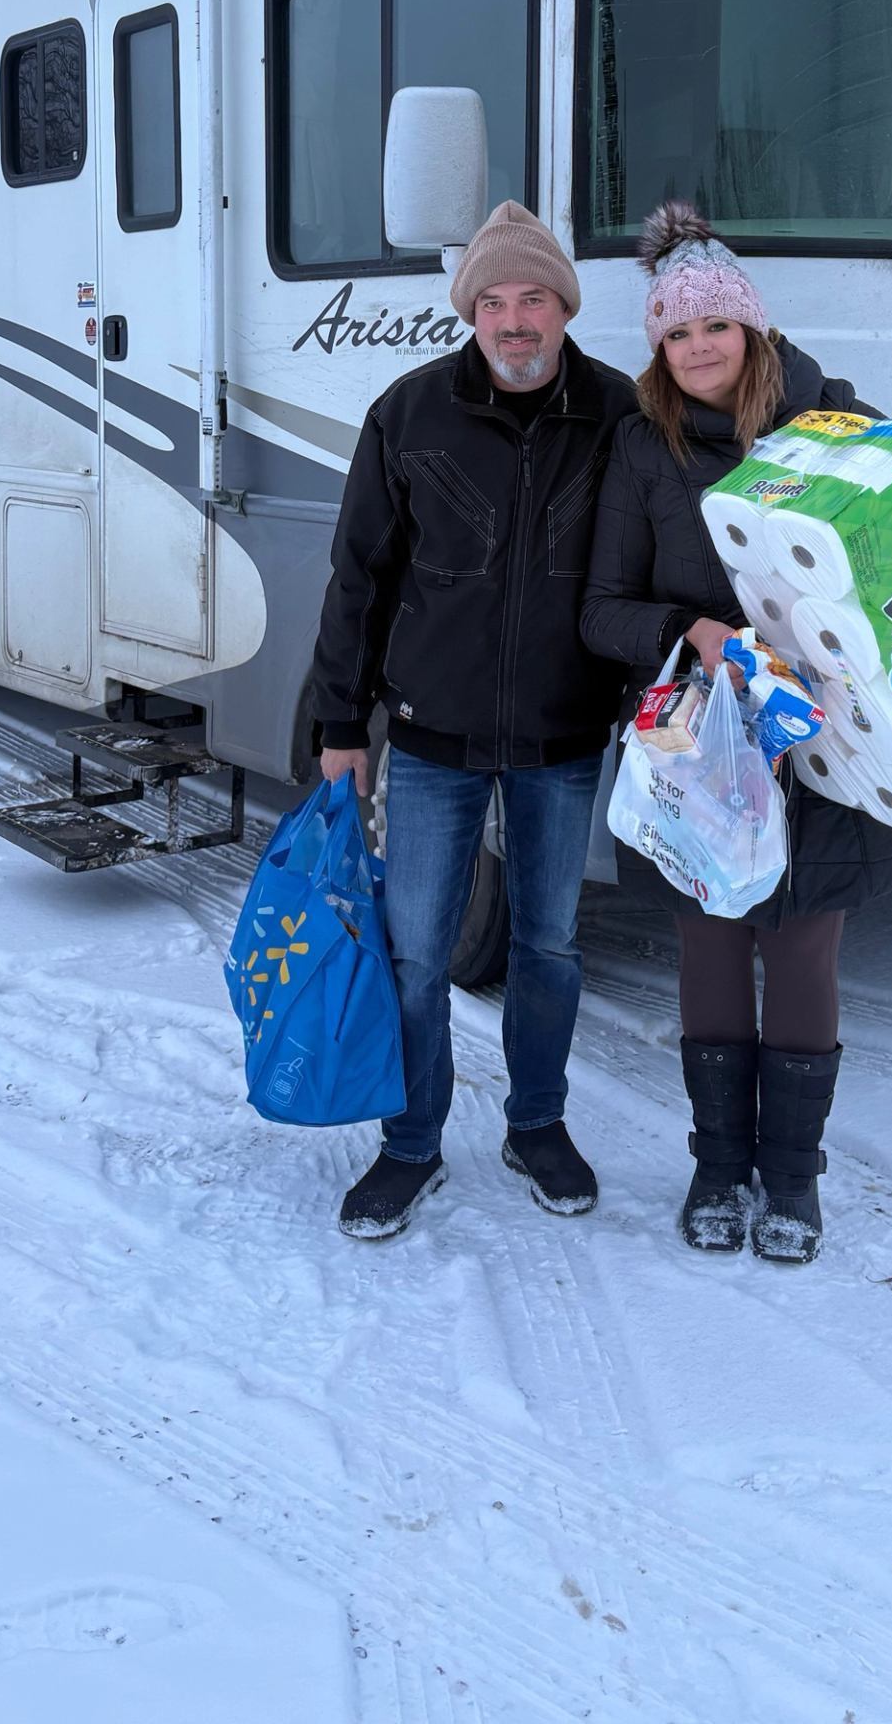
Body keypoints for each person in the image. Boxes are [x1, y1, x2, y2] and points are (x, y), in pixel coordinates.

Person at [581, 203, 892, 1265]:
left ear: (754, 330)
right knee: (712, 944)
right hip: (710, 738)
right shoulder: (644, 449)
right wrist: (687, 629)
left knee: (806, 944)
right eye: (677, 334)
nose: (698, 350)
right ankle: (718, 1166)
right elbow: (599, 607)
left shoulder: (839, 418)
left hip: (837, 735)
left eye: (715, 328)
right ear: (657, 346)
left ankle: (793, 1180)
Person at [312, 200, 638, 1242]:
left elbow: (657, 557)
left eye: (532, 298)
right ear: (469, 312)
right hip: (433, 733)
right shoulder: (408, 414)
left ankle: (536, 1123)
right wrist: (339, 722)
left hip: (562, 731)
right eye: (491, 301)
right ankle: (411, 1143)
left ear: (563, 308)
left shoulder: (621, 413)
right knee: (417, 952)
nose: (512, 320)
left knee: (548, 944)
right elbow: (357, 581)